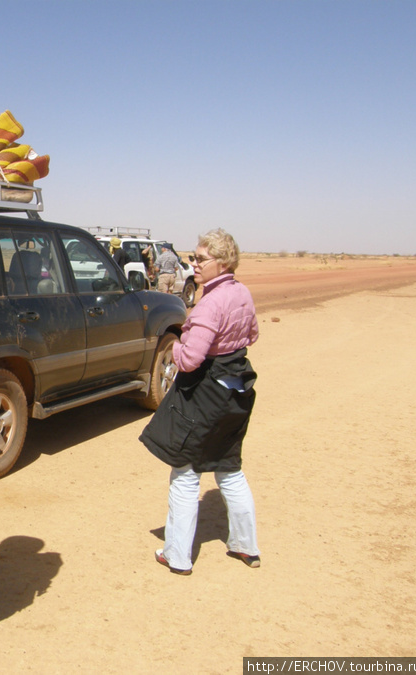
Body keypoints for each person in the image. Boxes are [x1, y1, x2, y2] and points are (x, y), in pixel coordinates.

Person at [139, 228, 260, 575]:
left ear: (221, 262)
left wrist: (173, 346)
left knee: (185, 472)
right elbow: (252, 334)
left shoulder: (211, 303)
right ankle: (245, 545)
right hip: (234, 391)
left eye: (200, 259)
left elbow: (190, 360)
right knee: (229, 468)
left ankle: (177, 555)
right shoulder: (242, 293)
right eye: (194, 257)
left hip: (205, 393)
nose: (194, 264)